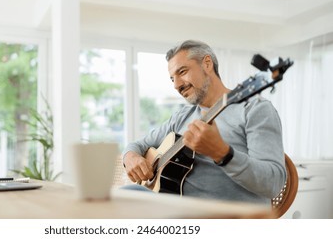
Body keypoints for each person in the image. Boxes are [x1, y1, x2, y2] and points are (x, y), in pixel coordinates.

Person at [122, 40, 286, 205]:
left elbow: (274, 184)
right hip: (175, 214)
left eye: (183, 71)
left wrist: (222, 153)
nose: (177, 85)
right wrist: (130, 157)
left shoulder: (255, 110)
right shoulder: (182, 117)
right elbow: (137, 145)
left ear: (207, 64)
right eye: (172, 79)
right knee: (120, 197)